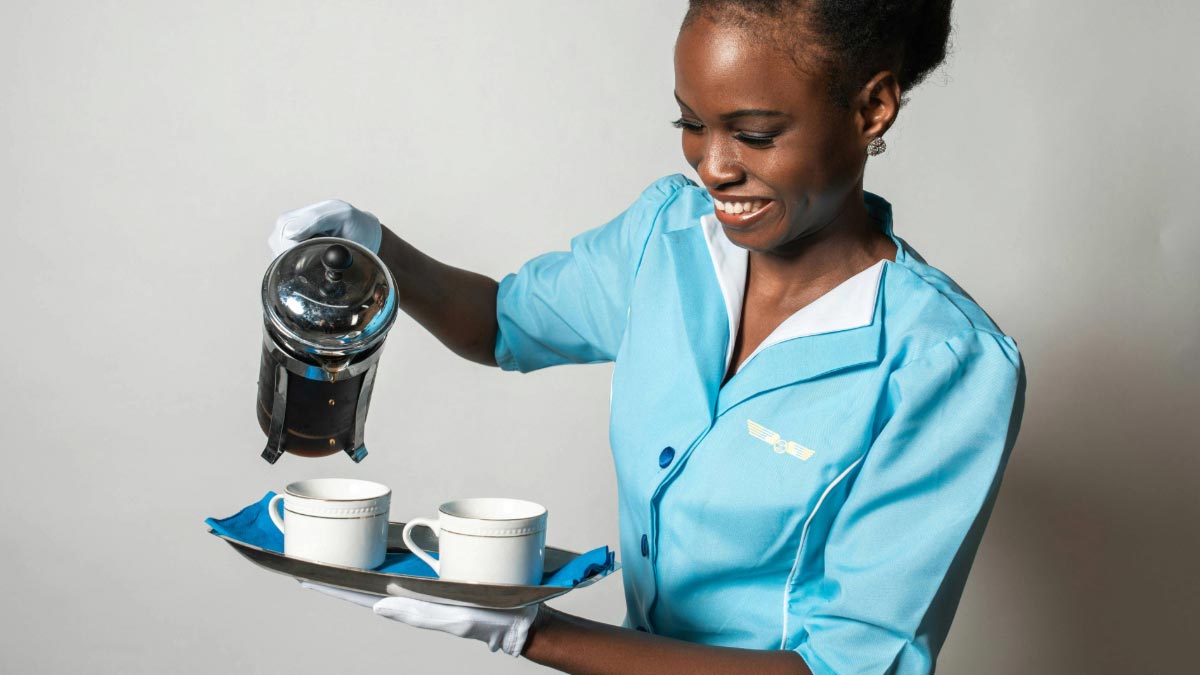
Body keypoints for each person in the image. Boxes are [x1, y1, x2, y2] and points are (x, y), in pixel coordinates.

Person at [270, 1, 1025, 673]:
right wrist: (377, 252)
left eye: (755, 134)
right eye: (691, 124)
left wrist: (530, 632)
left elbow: (844, 668)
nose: (714, 166)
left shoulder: (941, 364)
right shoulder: (669, 236)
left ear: (873, 108)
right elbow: (504, 319)